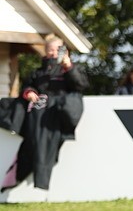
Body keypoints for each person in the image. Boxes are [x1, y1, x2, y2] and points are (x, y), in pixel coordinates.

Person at [4, 33, 87, 190]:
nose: (53, 53)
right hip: (38, 113)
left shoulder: (68, 69)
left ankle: (41, 178)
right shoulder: (38, 72)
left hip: (60, 113)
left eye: (57, 50)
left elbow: (80, 85)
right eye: (50, 50)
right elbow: (27, 86)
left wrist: (68, 67)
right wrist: (29, 93)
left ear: (64, 51)